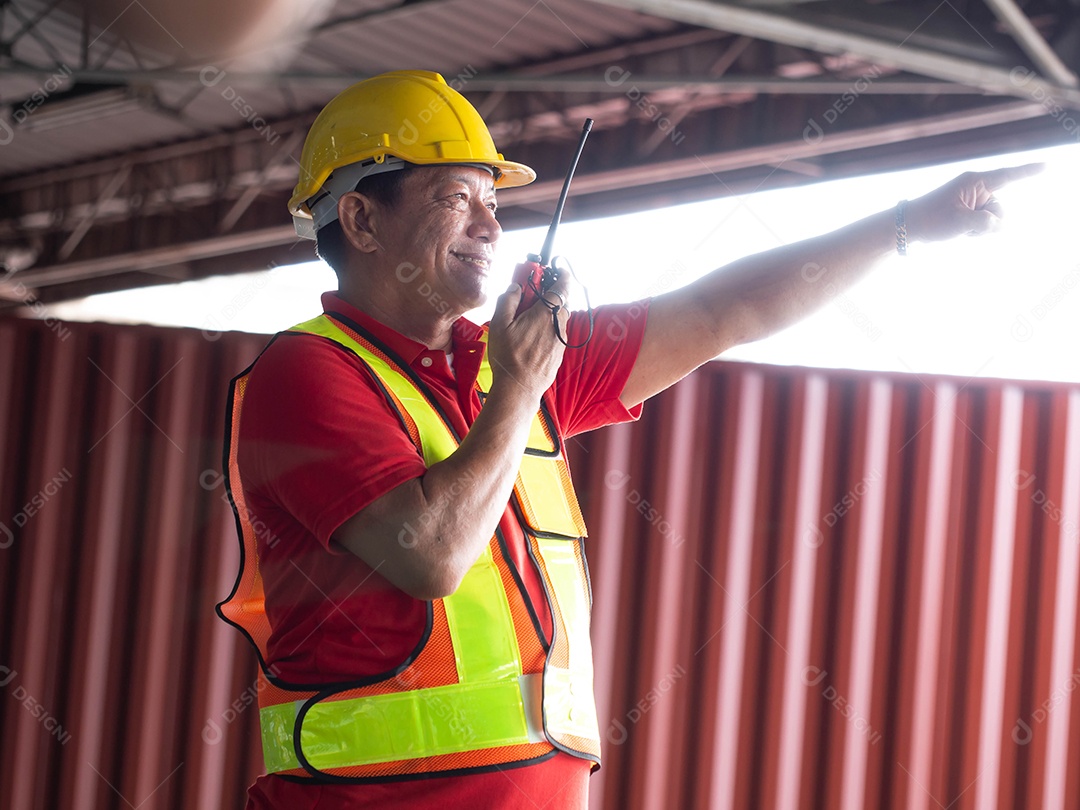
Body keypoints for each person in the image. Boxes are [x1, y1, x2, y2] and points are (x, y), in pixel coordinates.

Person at [216, 70, 1039, 809]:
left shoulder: (501, 365)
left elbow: (723, 313)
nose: (491, 227)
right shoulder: (310, 374)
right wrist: (523, 388)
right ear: (360, 218)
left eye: (494, 203)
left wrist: (903, 226)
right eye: (453, 198)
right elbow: (430, 554)